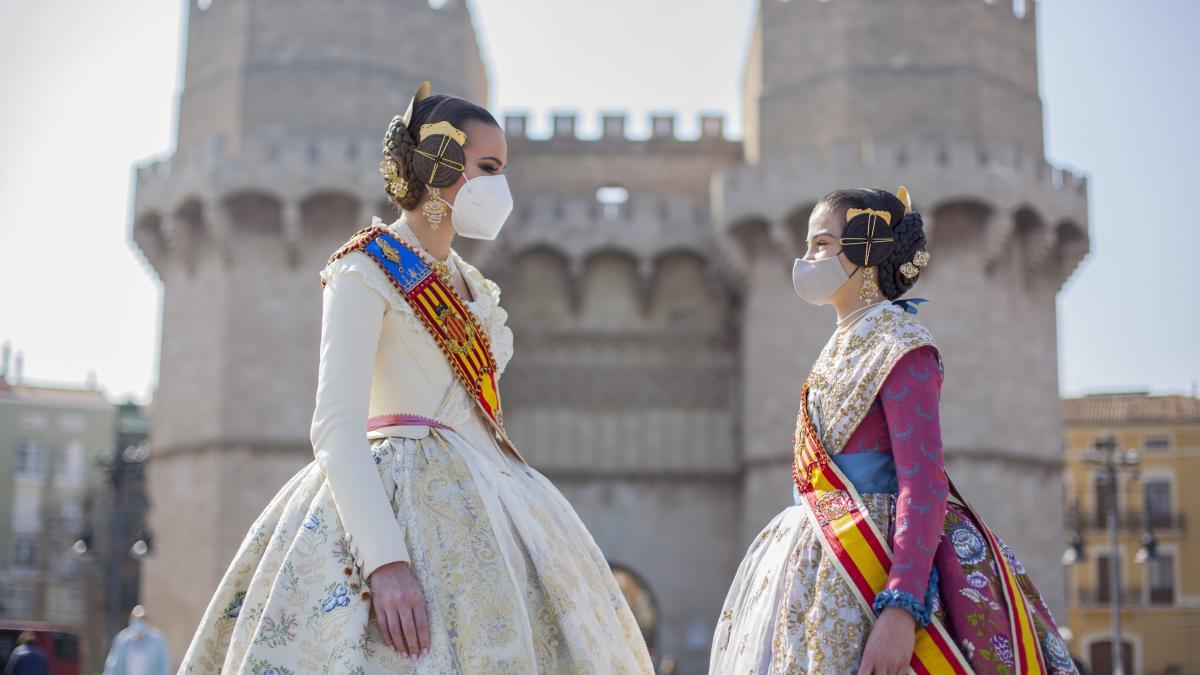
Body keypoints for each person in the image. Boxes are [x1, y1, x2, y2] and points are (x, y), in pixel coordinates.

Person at [179, 81, 652, 673]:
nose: (500, 185)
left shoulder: (475, 288)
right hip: (396, 501)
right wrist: (384, 562)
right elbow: (336, 427)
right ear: (439, 165)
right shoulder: (364, 267)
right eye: (488, 167)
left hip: (496, 503)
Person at [710, 187, 1078, 674]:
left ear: (866, 249)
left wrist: (902, 608)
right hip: (818, 564)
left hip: (877, 565)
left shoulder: (904, 345)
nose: (806, 258)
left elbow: (923, 482)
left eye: (821, 244)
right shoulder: (838, 345)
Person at [103, 606, 171, 675]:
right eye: (137, 619)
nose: (139, 622)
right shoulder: (122, 639)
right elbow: (113, 666)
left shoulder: (158, 640)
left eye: (142, 619)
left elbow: (163, 666)